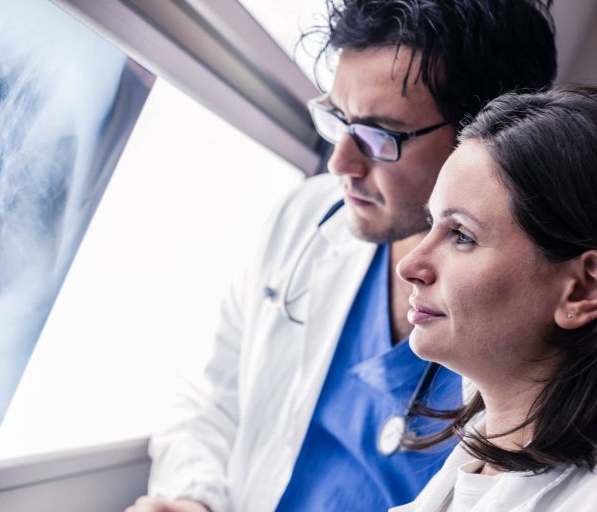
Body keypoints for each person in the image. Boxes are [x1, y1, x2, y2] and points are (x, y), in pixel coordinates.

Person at [128, 1, 557, 511]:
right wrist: (192, 498)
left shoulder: (532, 329)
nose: (340, 163)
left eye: (379, 135)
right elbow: (212, 397)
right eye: (337, 119)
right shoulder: (307, 218)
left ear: (489, 136)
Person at [393, 85, 597, 511]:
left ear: (582, 291)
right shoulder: (487, 449)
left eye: (461, 236)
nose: (410, 265)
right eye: (432, 223)